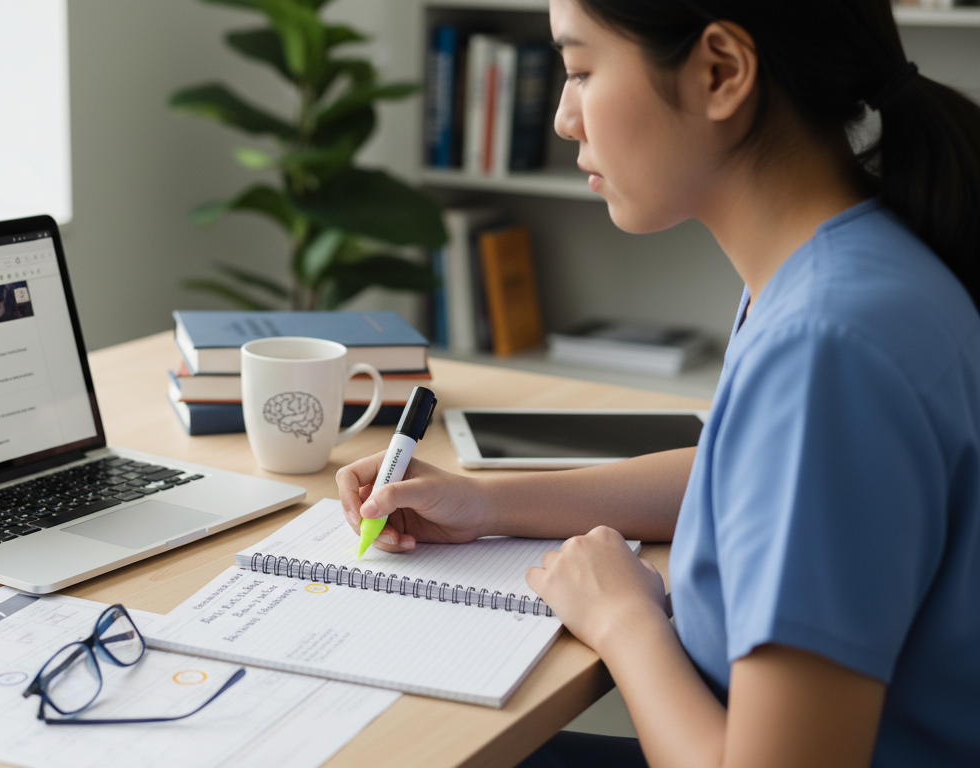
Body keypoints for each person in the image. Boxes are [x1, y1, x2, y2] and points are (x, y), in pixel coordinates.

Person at [336, 0, 980, 765]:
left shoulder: (827, 348)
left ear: (720, 72)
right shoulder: (839, 263)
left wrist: (624, 620)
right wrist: (489, 505)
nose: (563, 119)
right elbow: (742, 483)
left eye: (580, 70)